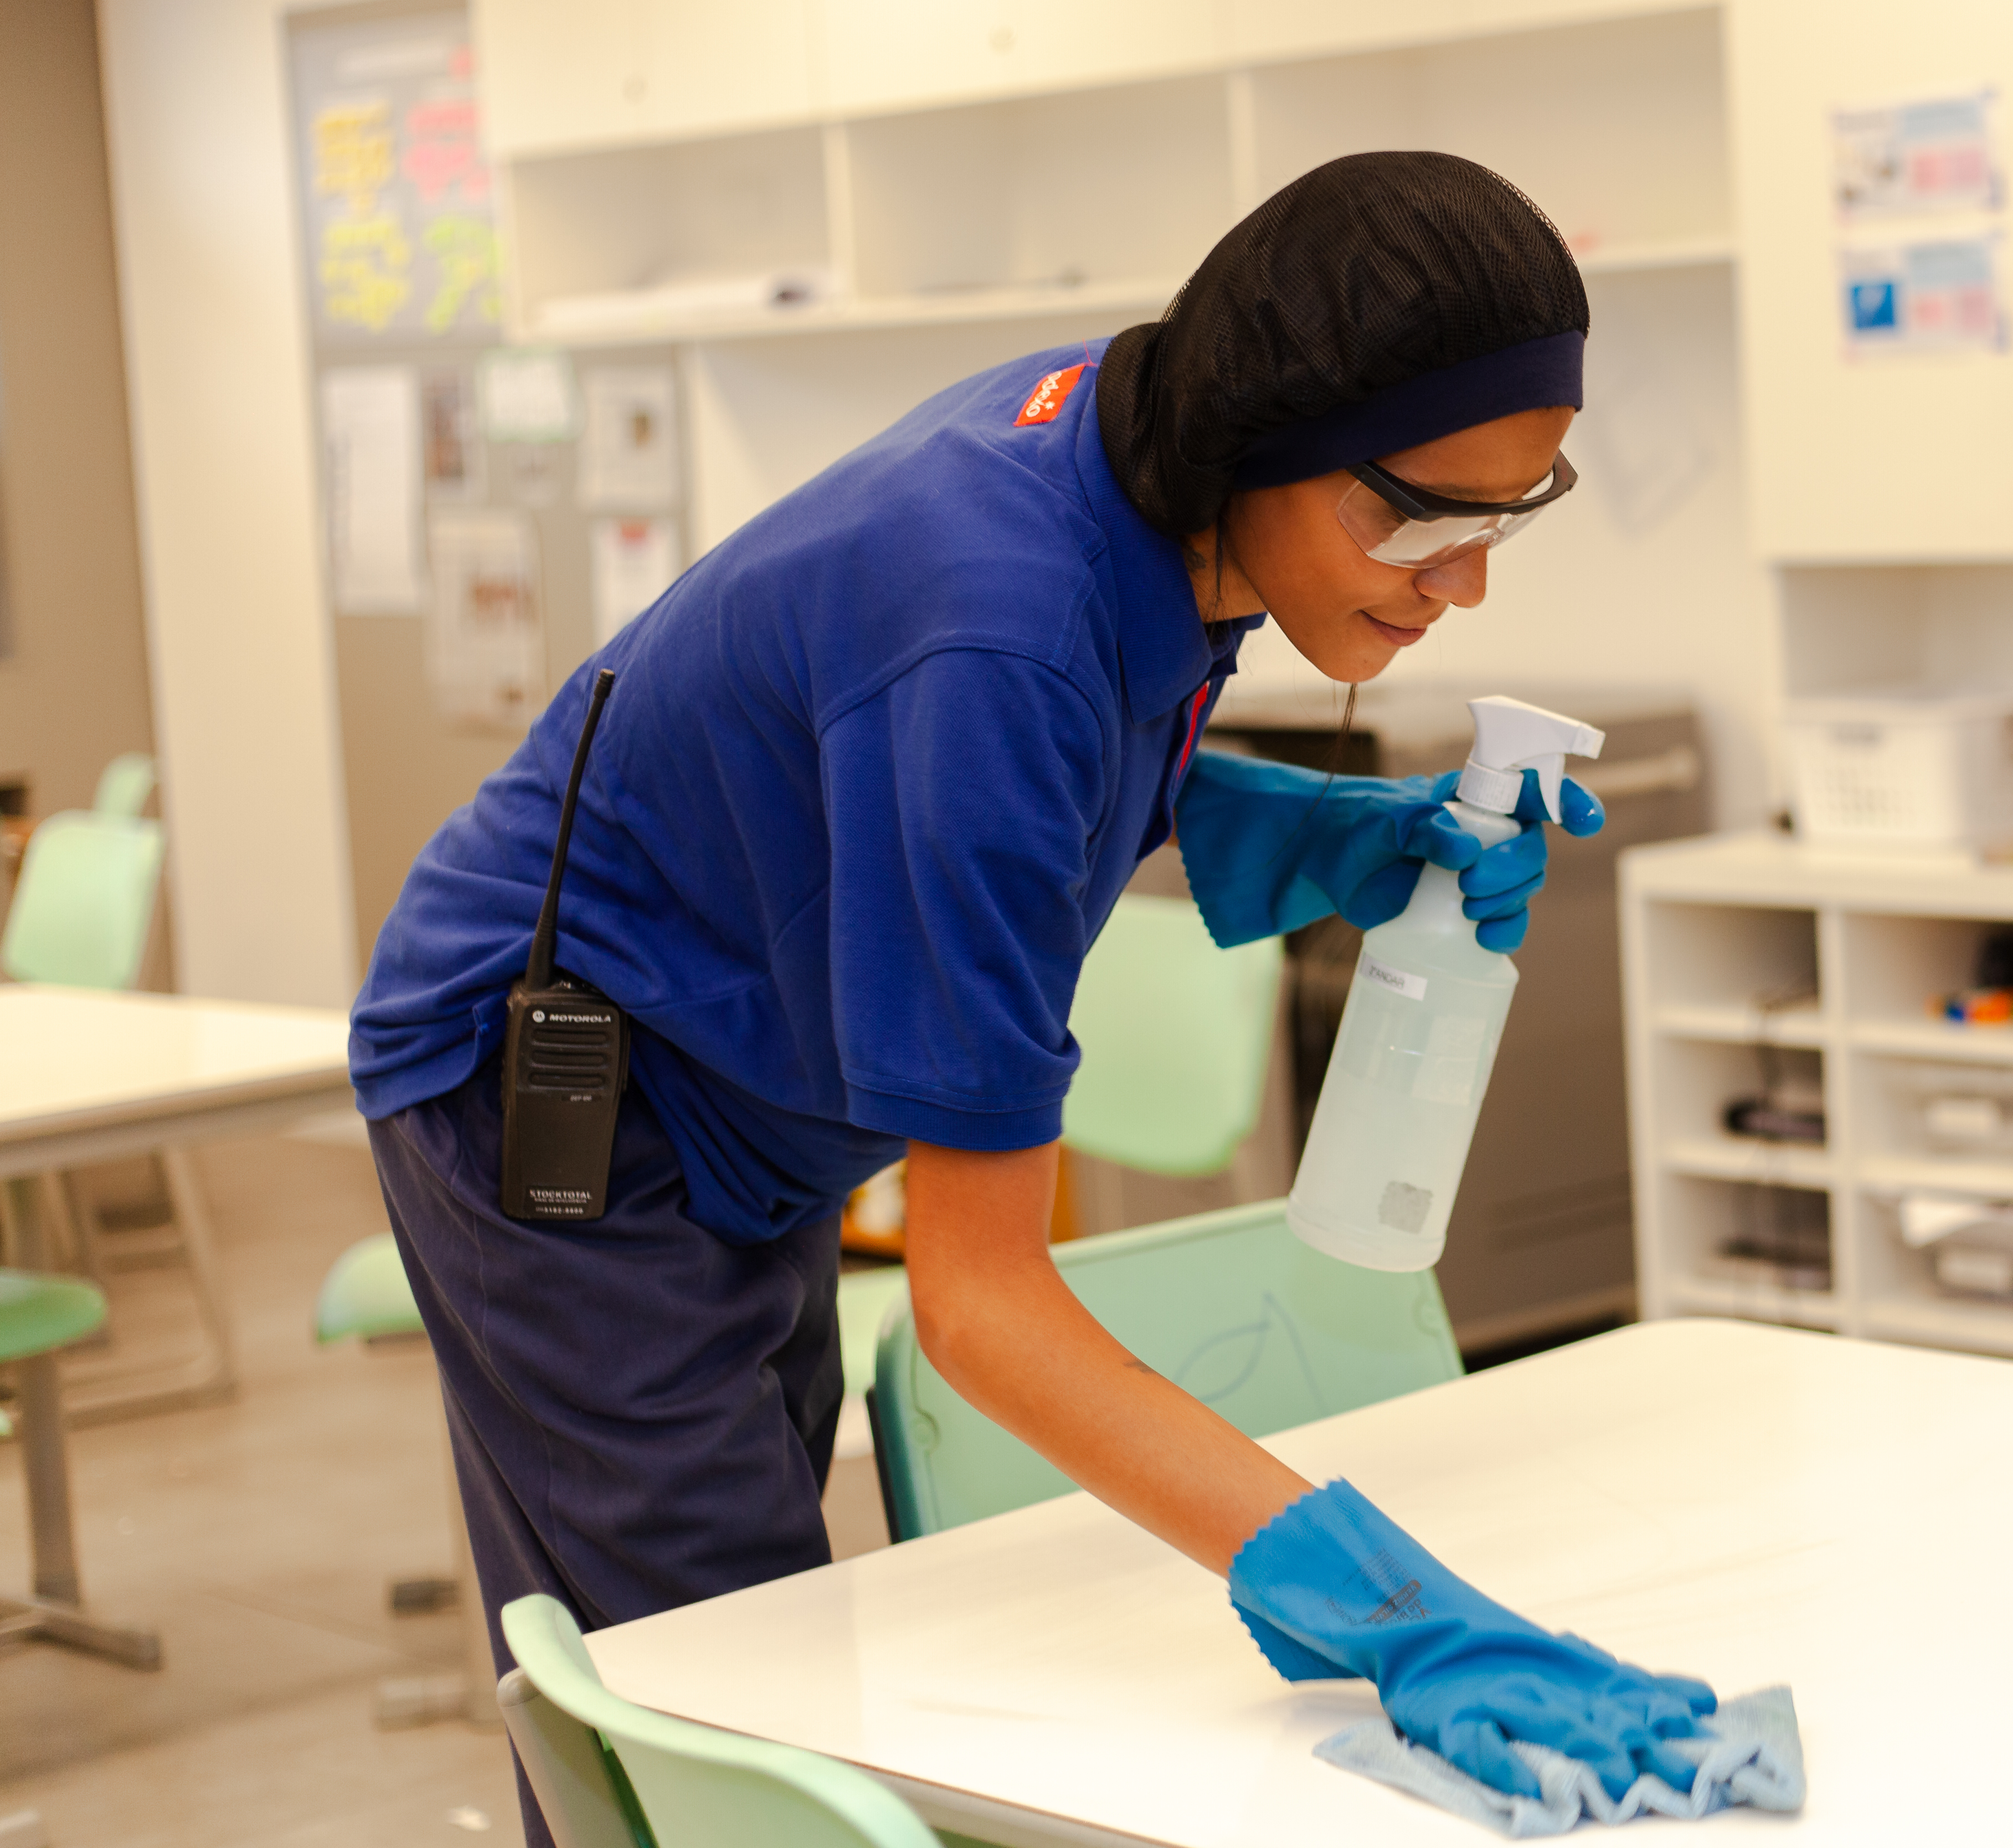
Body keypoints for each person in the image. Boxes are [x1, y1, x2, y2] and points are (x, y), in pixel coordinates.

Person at [349, 152, 1715, 1841]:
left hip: (743, 1073)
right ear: (1260, 445)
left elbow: (1059, 767)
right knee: (706, 1692)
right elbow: (980, 1313)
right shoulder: (994, 619)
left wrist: (1334, 840)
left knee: (763, 1617)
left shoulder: (1138, 457)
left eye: (1504, 515)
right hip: (555, 1093)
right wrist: (1392, 1611)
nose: (1464, 580)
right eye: (1417, 517)